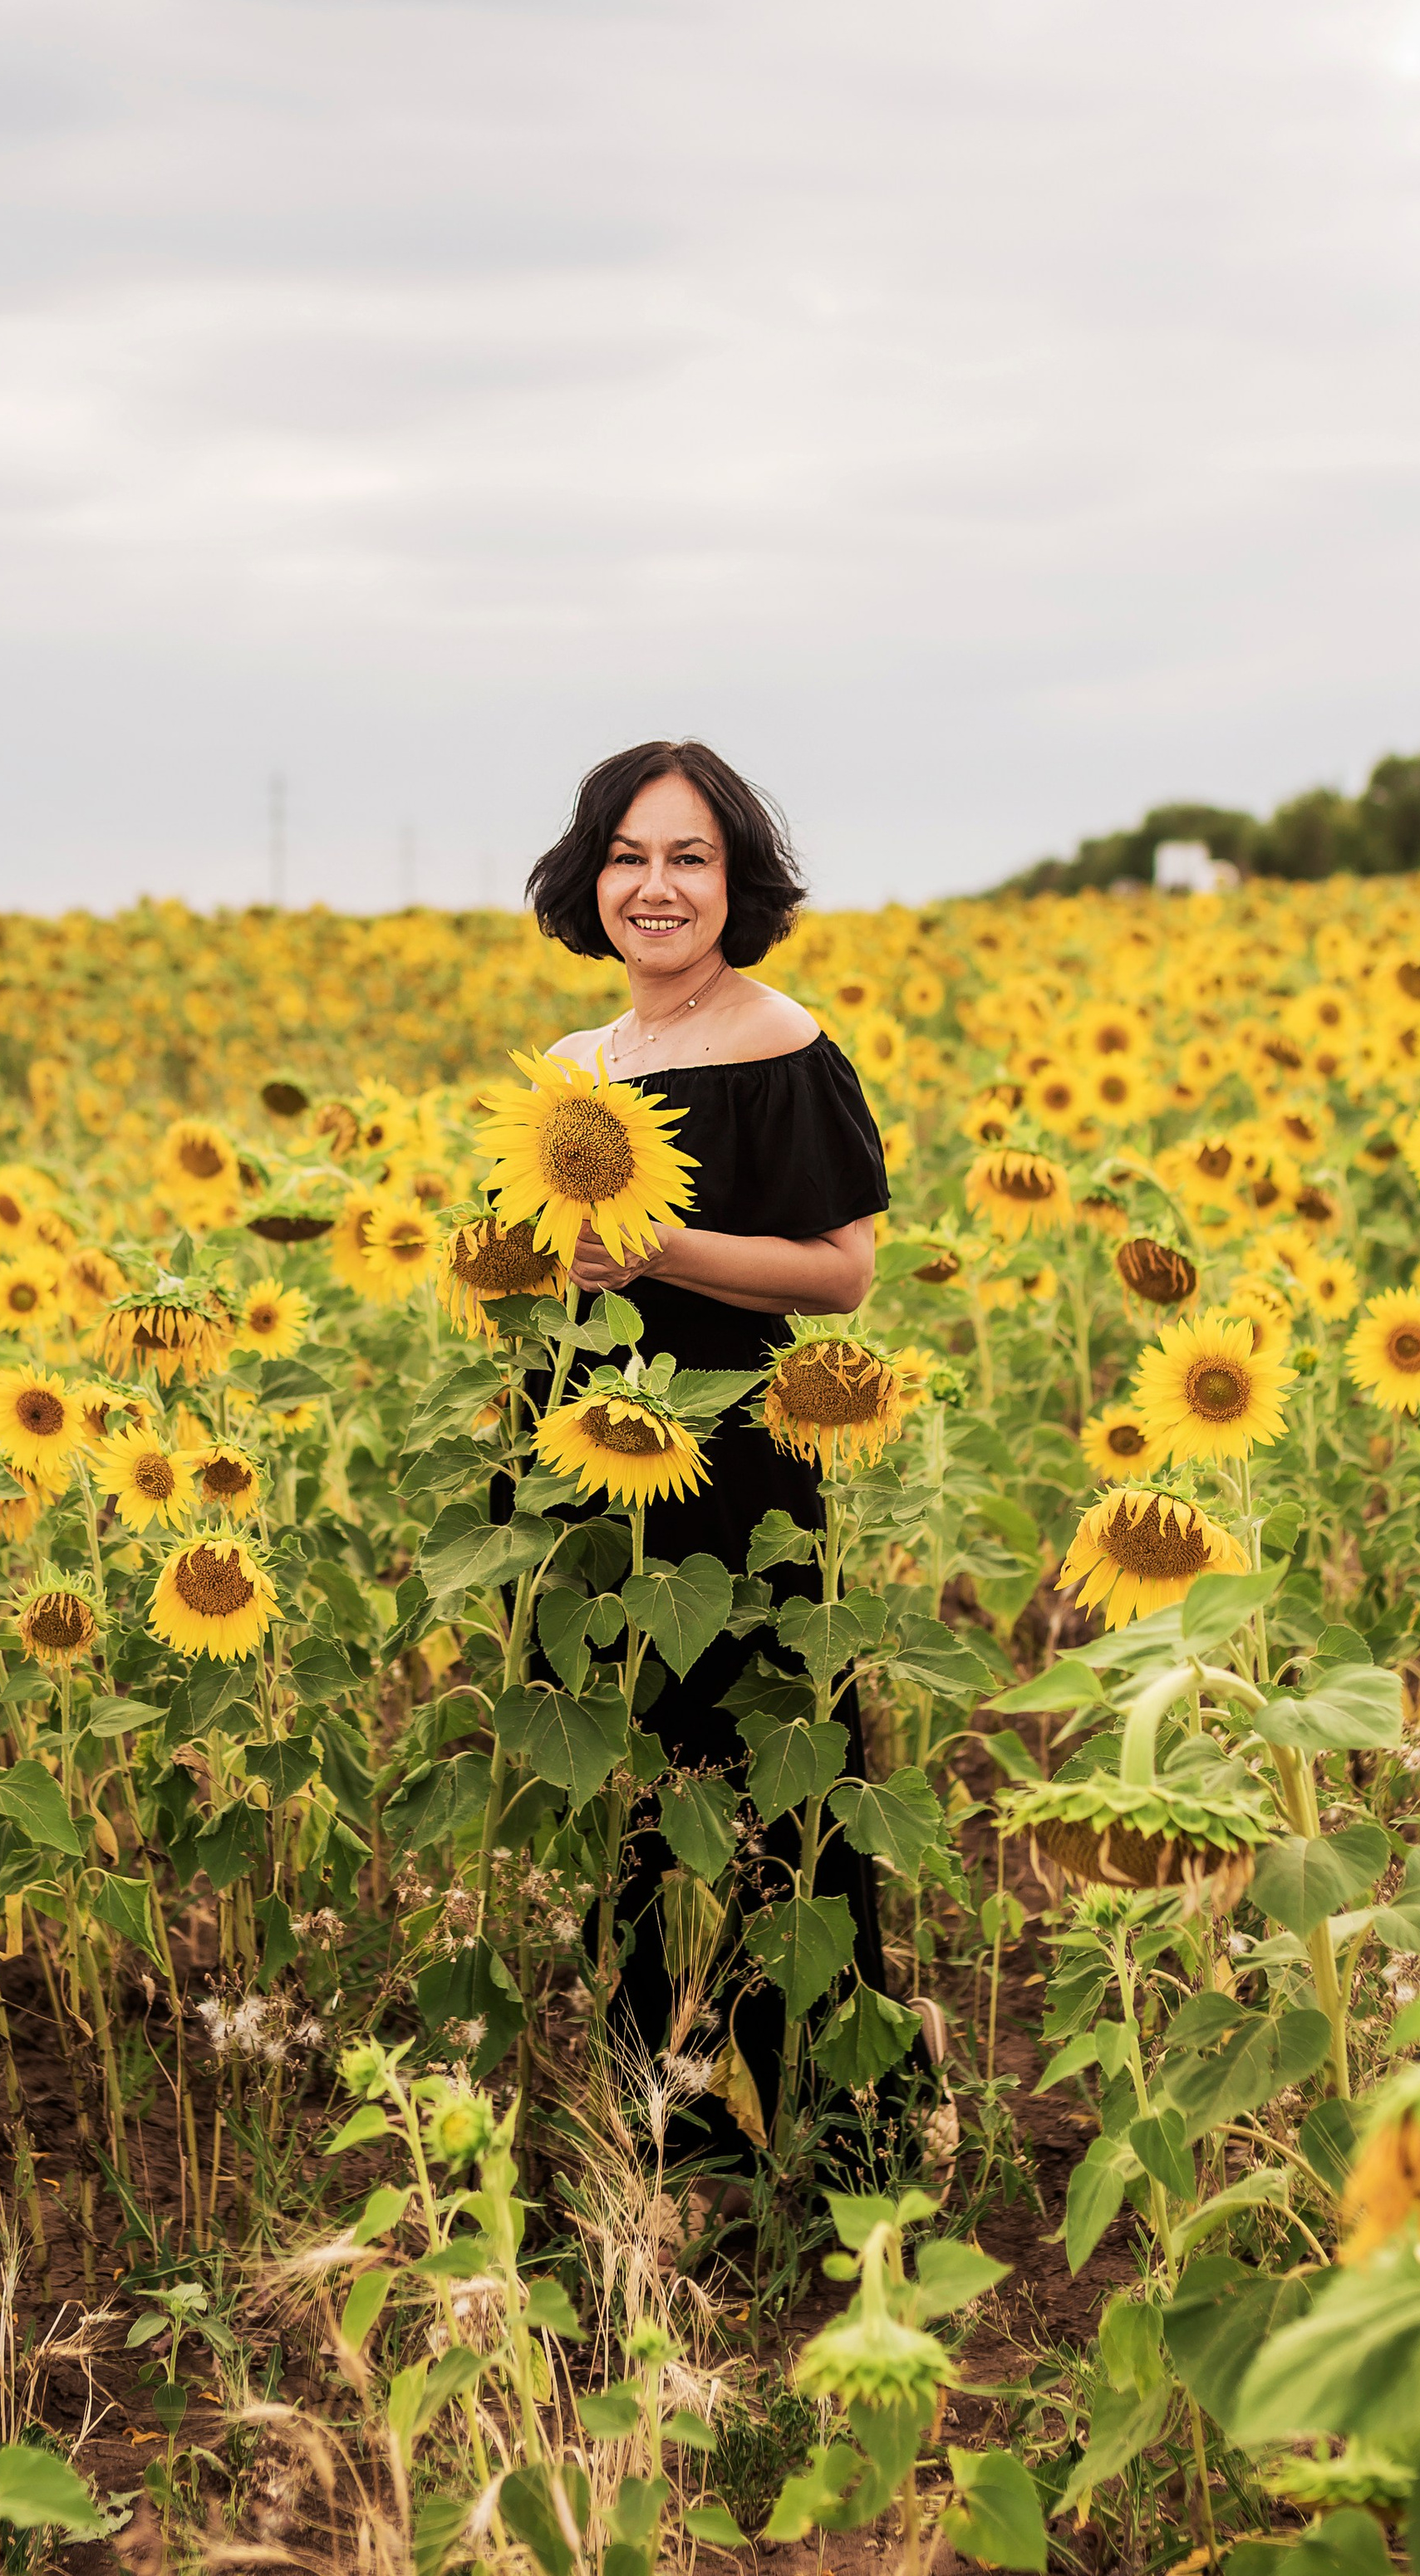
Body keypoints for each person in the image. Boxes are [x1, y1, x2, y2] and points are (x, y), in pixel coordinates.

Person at [522, 736, 920, 2165]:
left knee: (762, 1788)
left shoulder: (780, 1045)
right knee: (636, 1804)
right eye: (629, 856)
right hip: (593, 1473)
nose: (656, 886)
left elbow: (843, 1273)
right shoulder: (576, 1067)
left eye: (689, 857)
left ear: (736, 878)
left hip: (738, 1468)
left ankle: (828, 2140)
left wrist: (662, 1249)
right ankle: (670, 2139)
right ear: (591, 878)